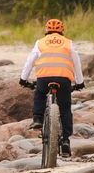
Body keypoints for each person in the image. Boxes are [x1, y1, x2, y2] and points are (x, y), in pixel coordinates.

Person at [18, 18, 83, 154]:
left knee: (40, 94)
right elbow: (76, 62)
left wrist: (23, 79)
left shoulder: (40, 43)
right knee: (65, 108)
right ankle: (65, 139)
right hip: (63, 78)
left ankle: (37, 118)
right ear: (62, 30)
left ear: (46, 30)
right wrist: (79, 82)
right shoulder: (68, 43)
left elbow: (30, 61)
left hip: (44, 77)